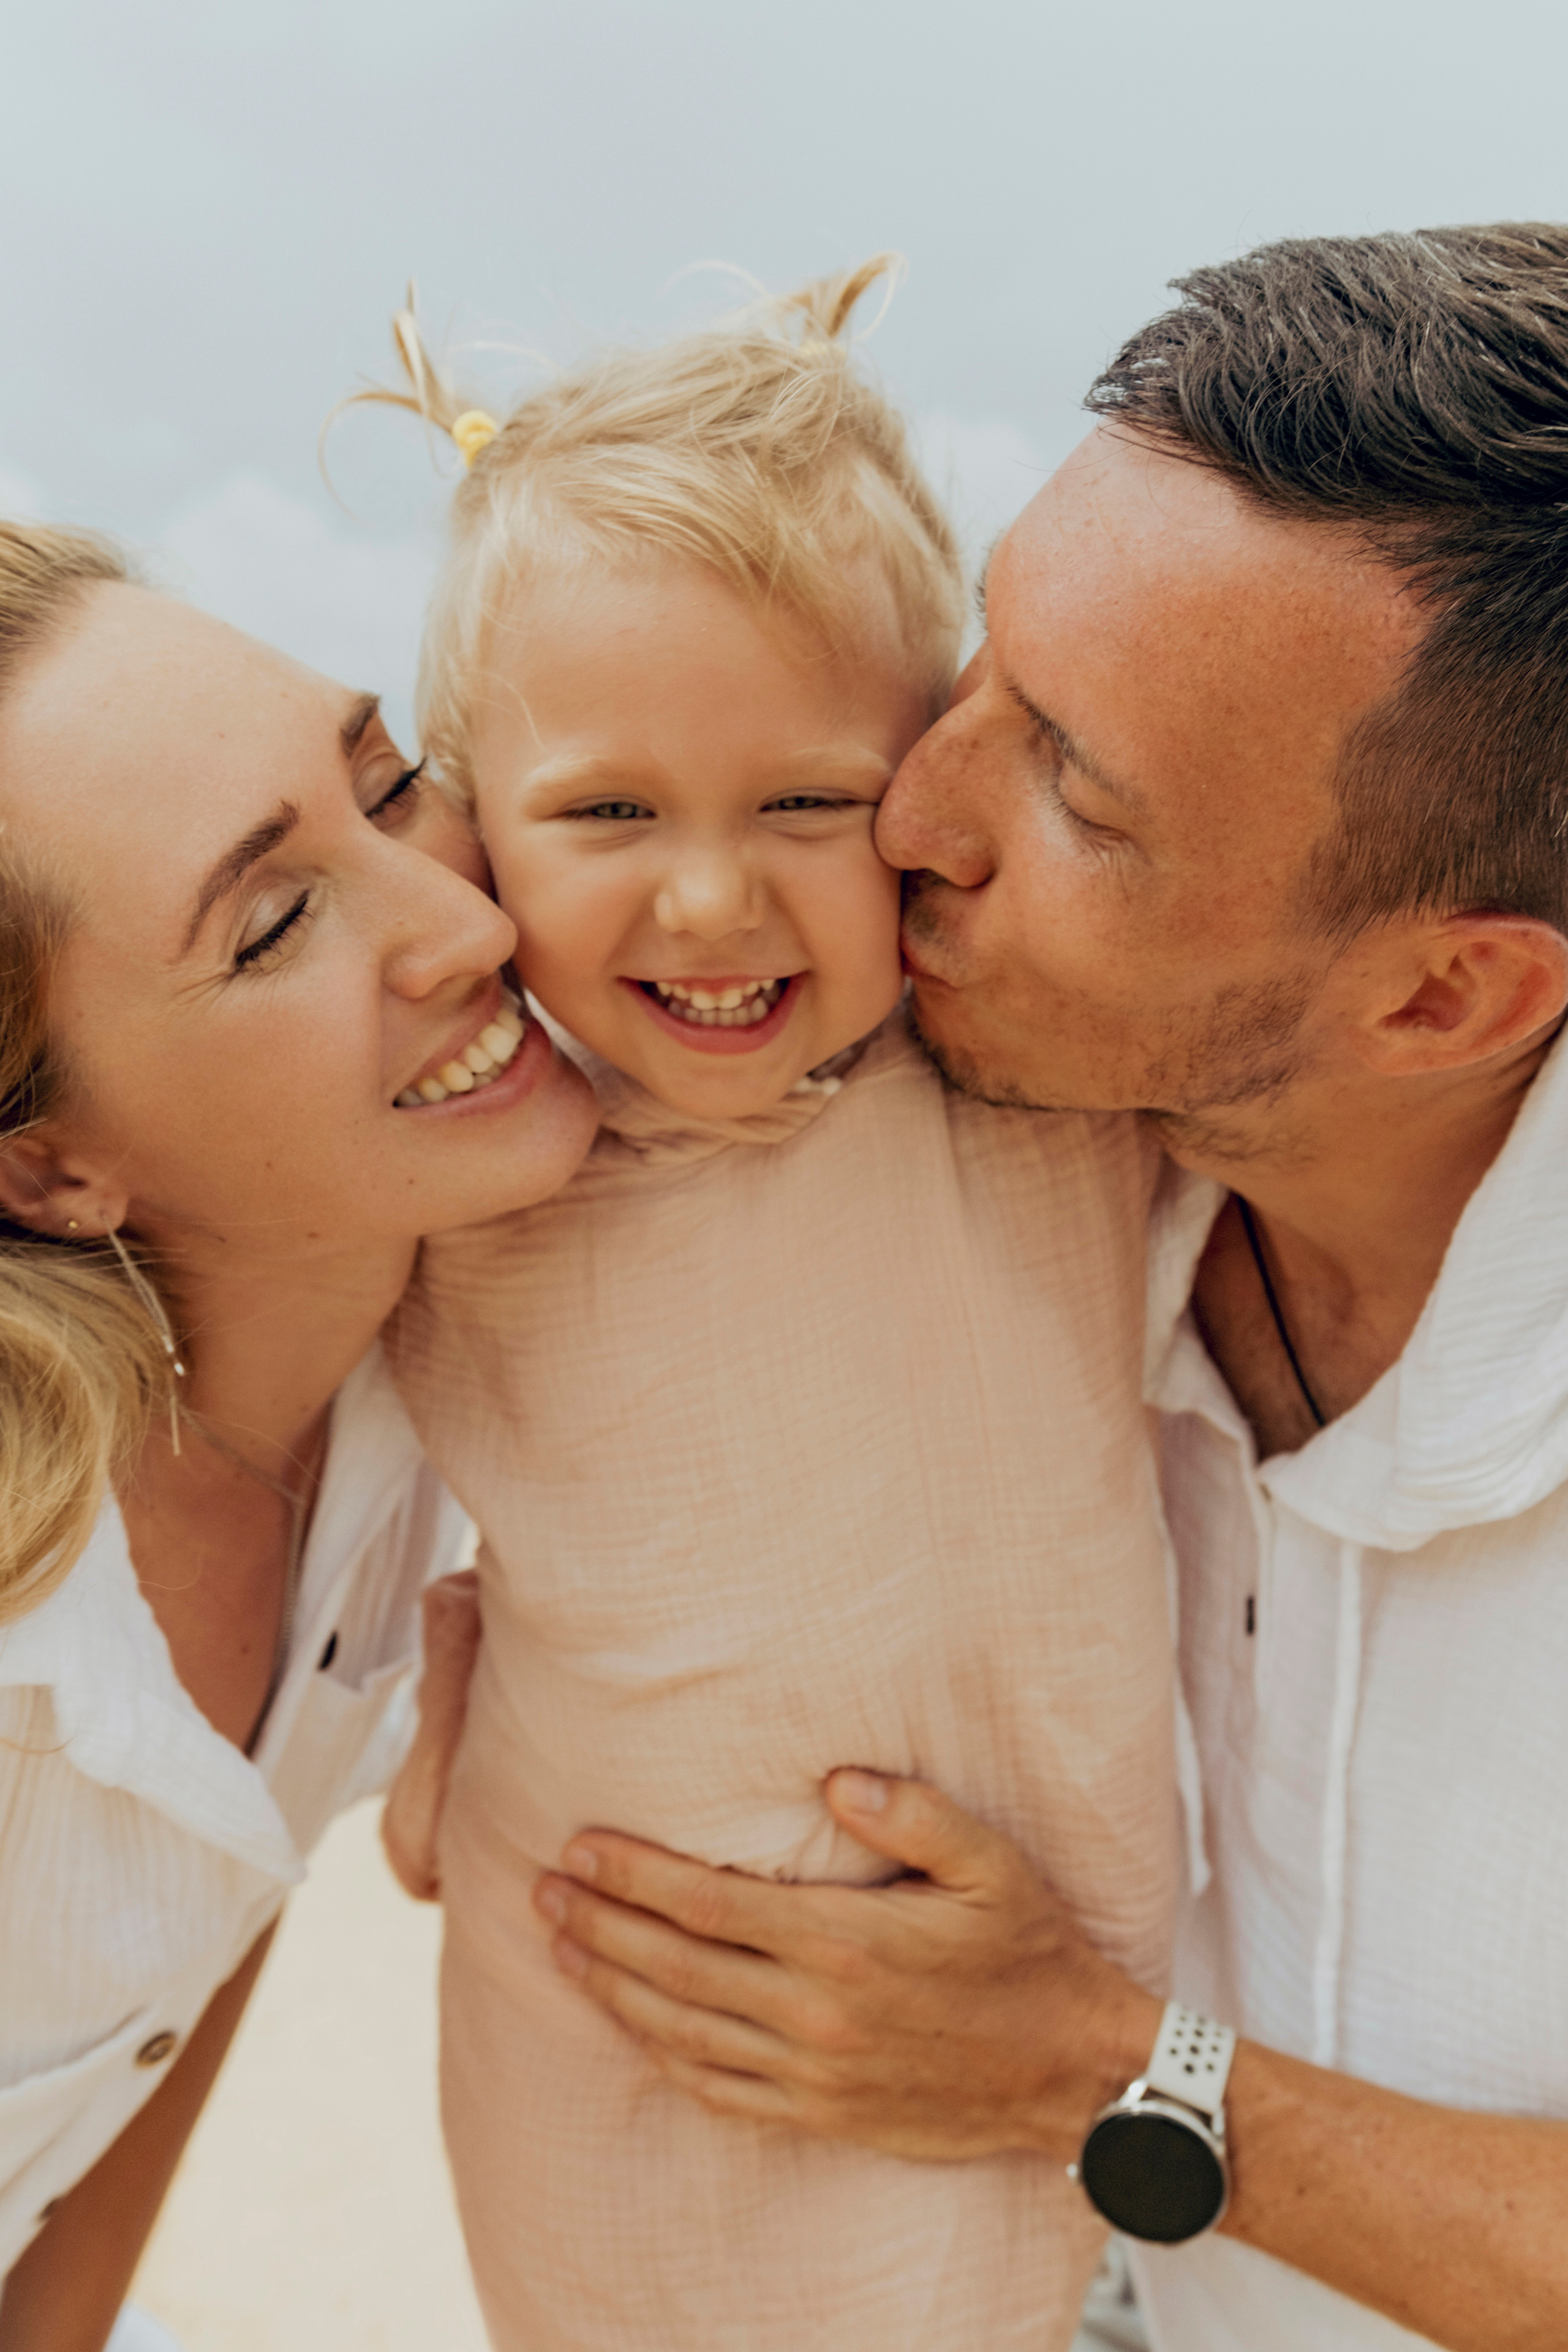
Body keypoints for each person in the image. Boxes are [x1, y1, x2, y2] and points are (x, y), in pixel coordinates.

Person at [528, 225, 1568, 2352]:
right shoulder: (1015, 1148)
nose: (911, 814)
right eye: (979, 671)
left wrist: (1101, 2073)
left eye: (1076, 791)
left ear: (1450, 990)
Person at [377, 264, 1183, 2350]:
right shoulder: (469, 1170)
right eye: (608, 812)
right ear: (475, 821)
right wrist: (436, 1688)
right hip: (598, 1985)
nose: (714, 899)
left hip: (1030, 1993)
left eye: (808, 802)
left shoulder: (1034, 1097)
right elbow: (408, 1501)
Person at [0, 521, 598, 2352]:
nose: (469, 923)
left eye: (391, 783)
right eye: (273, 922)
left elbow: (196, 1940)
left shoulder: (413, 1400)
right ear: (48, 1164)